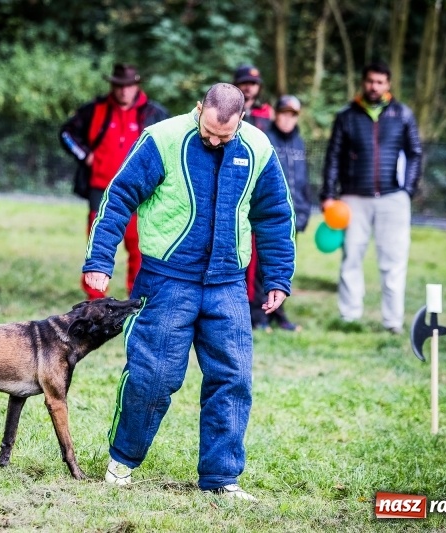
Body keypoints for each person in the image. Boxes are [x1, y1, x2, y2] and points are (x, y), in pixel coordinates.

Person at [83, 83, 295, 500]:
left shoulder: (258, 149)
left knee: (233, 379)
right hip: (167, 280)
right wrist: (99, 261)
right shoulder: (161, 139)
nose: (215, 141)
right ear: (199, 109)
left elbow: (274, 215)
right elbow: (119, 196)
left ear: (242, 120)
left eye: (225, 136)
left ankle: (221, 479)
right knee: (154, 376)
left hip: (228, 284)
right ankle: (122, 461)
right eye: (209, 131)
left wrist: (277, 277)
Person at [320, 61, 422, 334]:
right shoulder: (346, 116)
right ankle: (349, 318)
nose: (374, 86)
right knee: (351, 258)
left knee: (393, 261)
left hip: (393, 199)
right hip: (353, 198)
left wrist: (408, 190)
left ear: (388, 84)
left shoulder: (403, 114)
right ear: (363, 82)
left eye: (380, 82)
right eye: (370, 81)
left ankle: (393, 322)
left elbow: (415, 153)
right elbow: (333, 156)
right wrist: (328, 194)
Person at [60, 63, 168, 300]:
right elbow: (66, 134)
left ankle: (137, 297)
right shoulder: (94, 109)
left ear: (136, 85)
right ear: (112, 85)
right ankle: (94, 299)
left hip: (140, 190)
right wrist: (85, 155)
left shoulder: (154, 114)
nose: (123, 91)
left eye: (128, 86)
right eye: (118, 86)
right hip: (100, 187)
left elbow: (168, 147)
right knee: (98, 241)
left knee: (139, 245)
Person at [247, 95, 311, 332]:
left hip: (293, 217)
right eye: (284, 113)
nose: (288, 118)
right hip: (268, 215)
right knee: (261, 267)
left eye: (292, 114)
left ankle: (279, 313)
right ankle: (260, 314)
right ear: (275, 113)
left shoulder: (299, 142)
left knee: (284, 267)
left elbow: (303, 181)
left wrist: (304, 211)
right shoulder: (265, 138)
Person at [233, 64, 273, 131]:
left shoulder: (268, 111)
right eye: (244, 82)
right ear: (235, 84)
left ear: (259, 86)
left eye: (253, 83)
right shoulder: (228, 109)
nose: (248, 87)